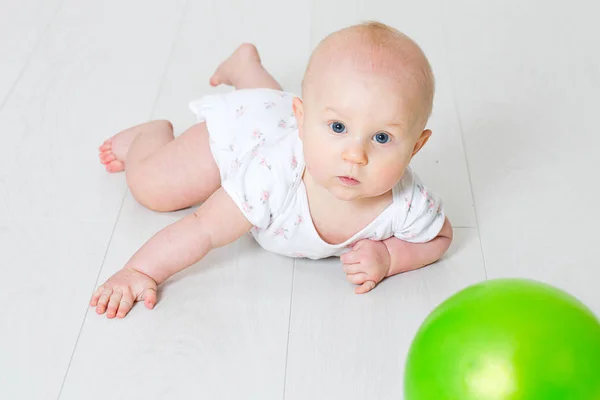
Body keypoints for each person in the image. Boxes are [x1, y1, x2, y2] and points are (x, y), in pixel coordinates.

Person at [92, 21, 453, 319]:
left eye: (381, 137)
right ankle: (150, 134)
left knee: (274, 108)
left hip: (276, 115)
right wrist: (140, 271)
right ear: (304, 119)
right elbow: (201, 228)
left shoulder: (407, 203)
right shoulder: (272, 175)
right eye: (339, 128)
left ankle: (248, 70)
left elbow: (440, 237)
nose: (355, 155)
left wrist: (391, 257)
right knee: (153, 187)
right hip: (244, 134)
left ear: (416, 147)